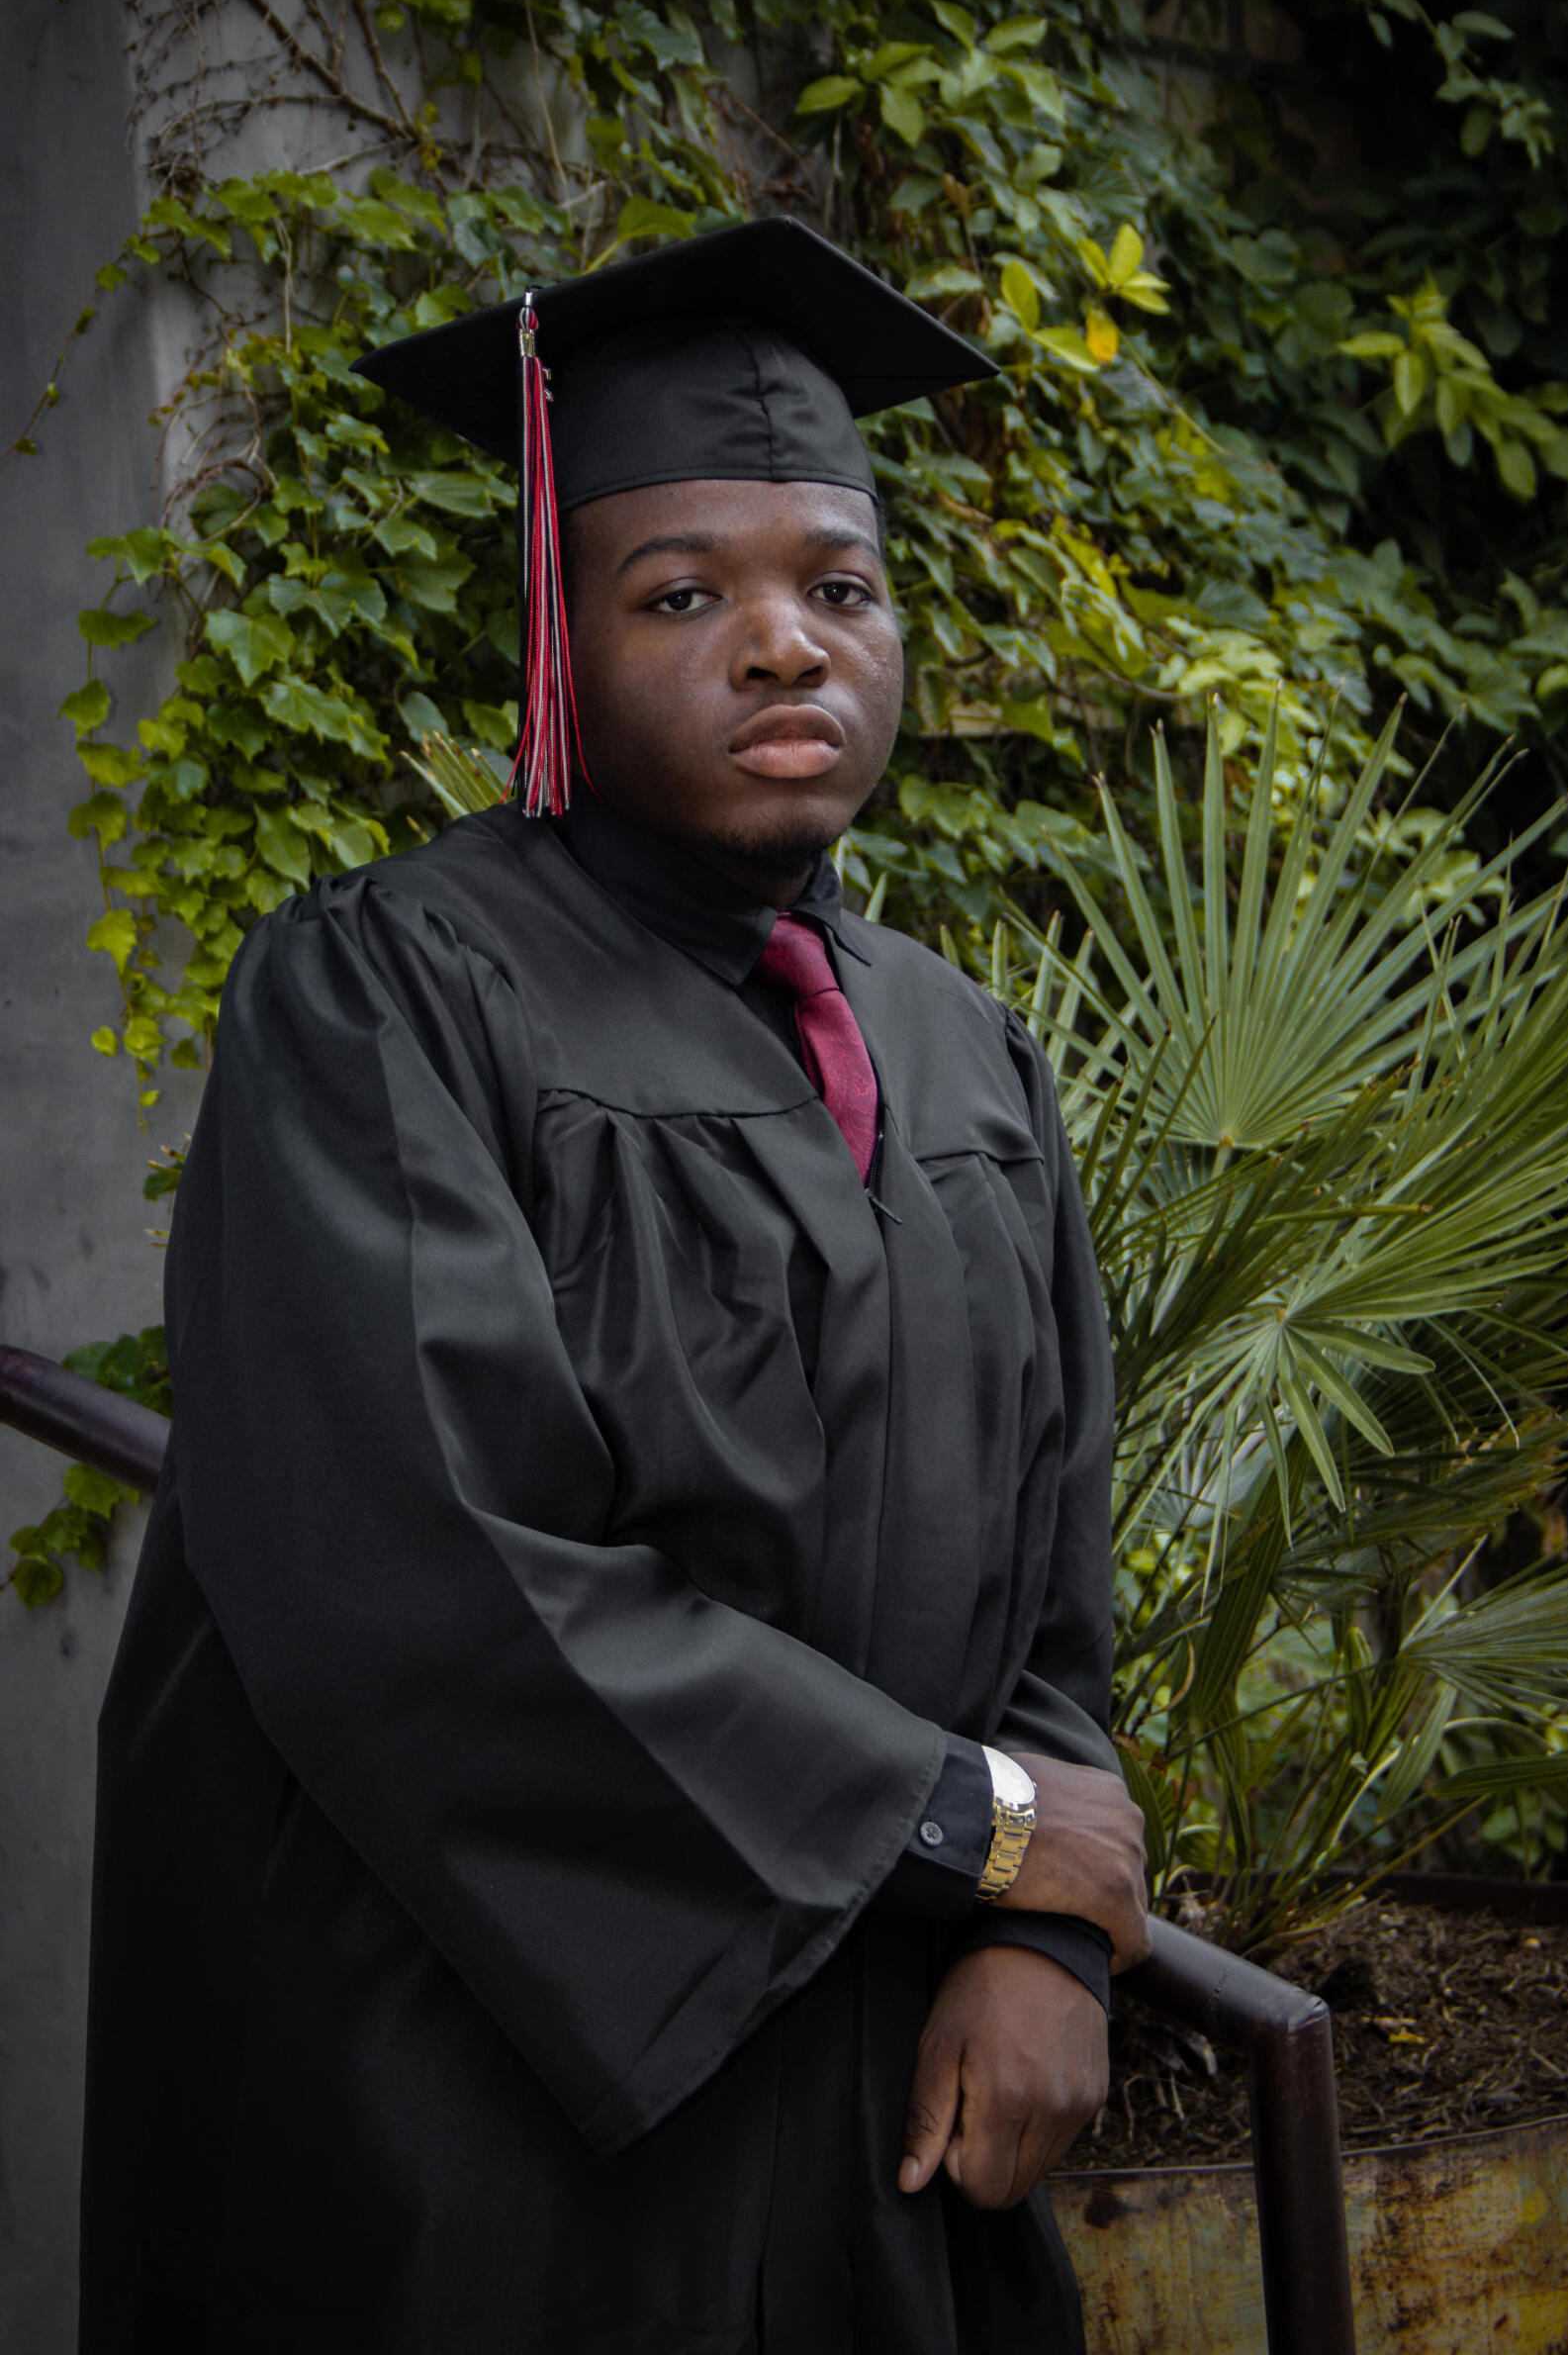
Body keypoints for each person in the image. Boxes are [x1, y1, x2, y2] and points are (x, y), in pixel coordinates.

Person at [79, 217, 1150, 2355]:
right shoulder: (390, 993)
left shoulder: (964, 1053)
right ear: (559, 646)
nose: (782, 643)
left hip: (885, 2082)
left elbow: (1049, 1585)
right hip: (477, 2088)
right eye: (684, 593)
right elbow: (429, 1570)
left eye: (840, 587)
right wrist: (978, 1829)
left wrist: (1045, 1942)